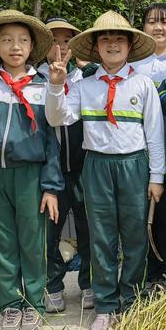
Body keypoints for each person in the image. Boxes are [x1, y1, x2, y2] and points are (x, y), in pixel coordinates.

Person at [45, 11, 165, 330]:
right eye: (105, 39)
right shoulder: (83, 86)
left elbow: (154, 134)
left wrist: (157, 177)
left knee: (135, 235)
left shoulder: (142, 84)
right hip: (96, 165)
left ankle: (132, 300)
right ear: (96, 47)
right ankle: (106, 304)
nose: (112, 44)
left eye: (119, 39)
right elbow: (58, 118)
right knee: (101, 236)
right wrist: (56, 86)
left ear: (129, 45)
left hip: (134, 166)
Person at [0, 10, 63, 330]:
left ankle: (33, 303)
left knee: (32, 240)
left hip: (30, 175)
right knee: (1, 243)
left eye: (22, 40)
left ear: (32, 48)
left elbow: (52, 140)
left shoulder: (44, 87)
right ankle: (11, 306)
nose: (15, 46)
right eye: (6, 40)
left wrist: (51, 187)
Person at [38, 17, 98, 313]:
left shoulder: (86, 79)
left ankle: (89, 284)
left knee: (88, 226)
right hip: (50, 171)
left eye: (66, 41)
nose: (60, 47)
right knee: (49, 229)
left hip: (84, 166)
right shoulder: (34, 79)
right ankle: (53, 285)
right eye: (53, 41)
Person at [132, 3, 166, 284]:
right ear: (143, 28)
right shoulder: (133, 64)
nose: (158, 27)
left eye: (165, 22)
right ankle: (145, 273)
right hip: (140, 153)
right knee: (140, 215)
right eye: (151, 21)